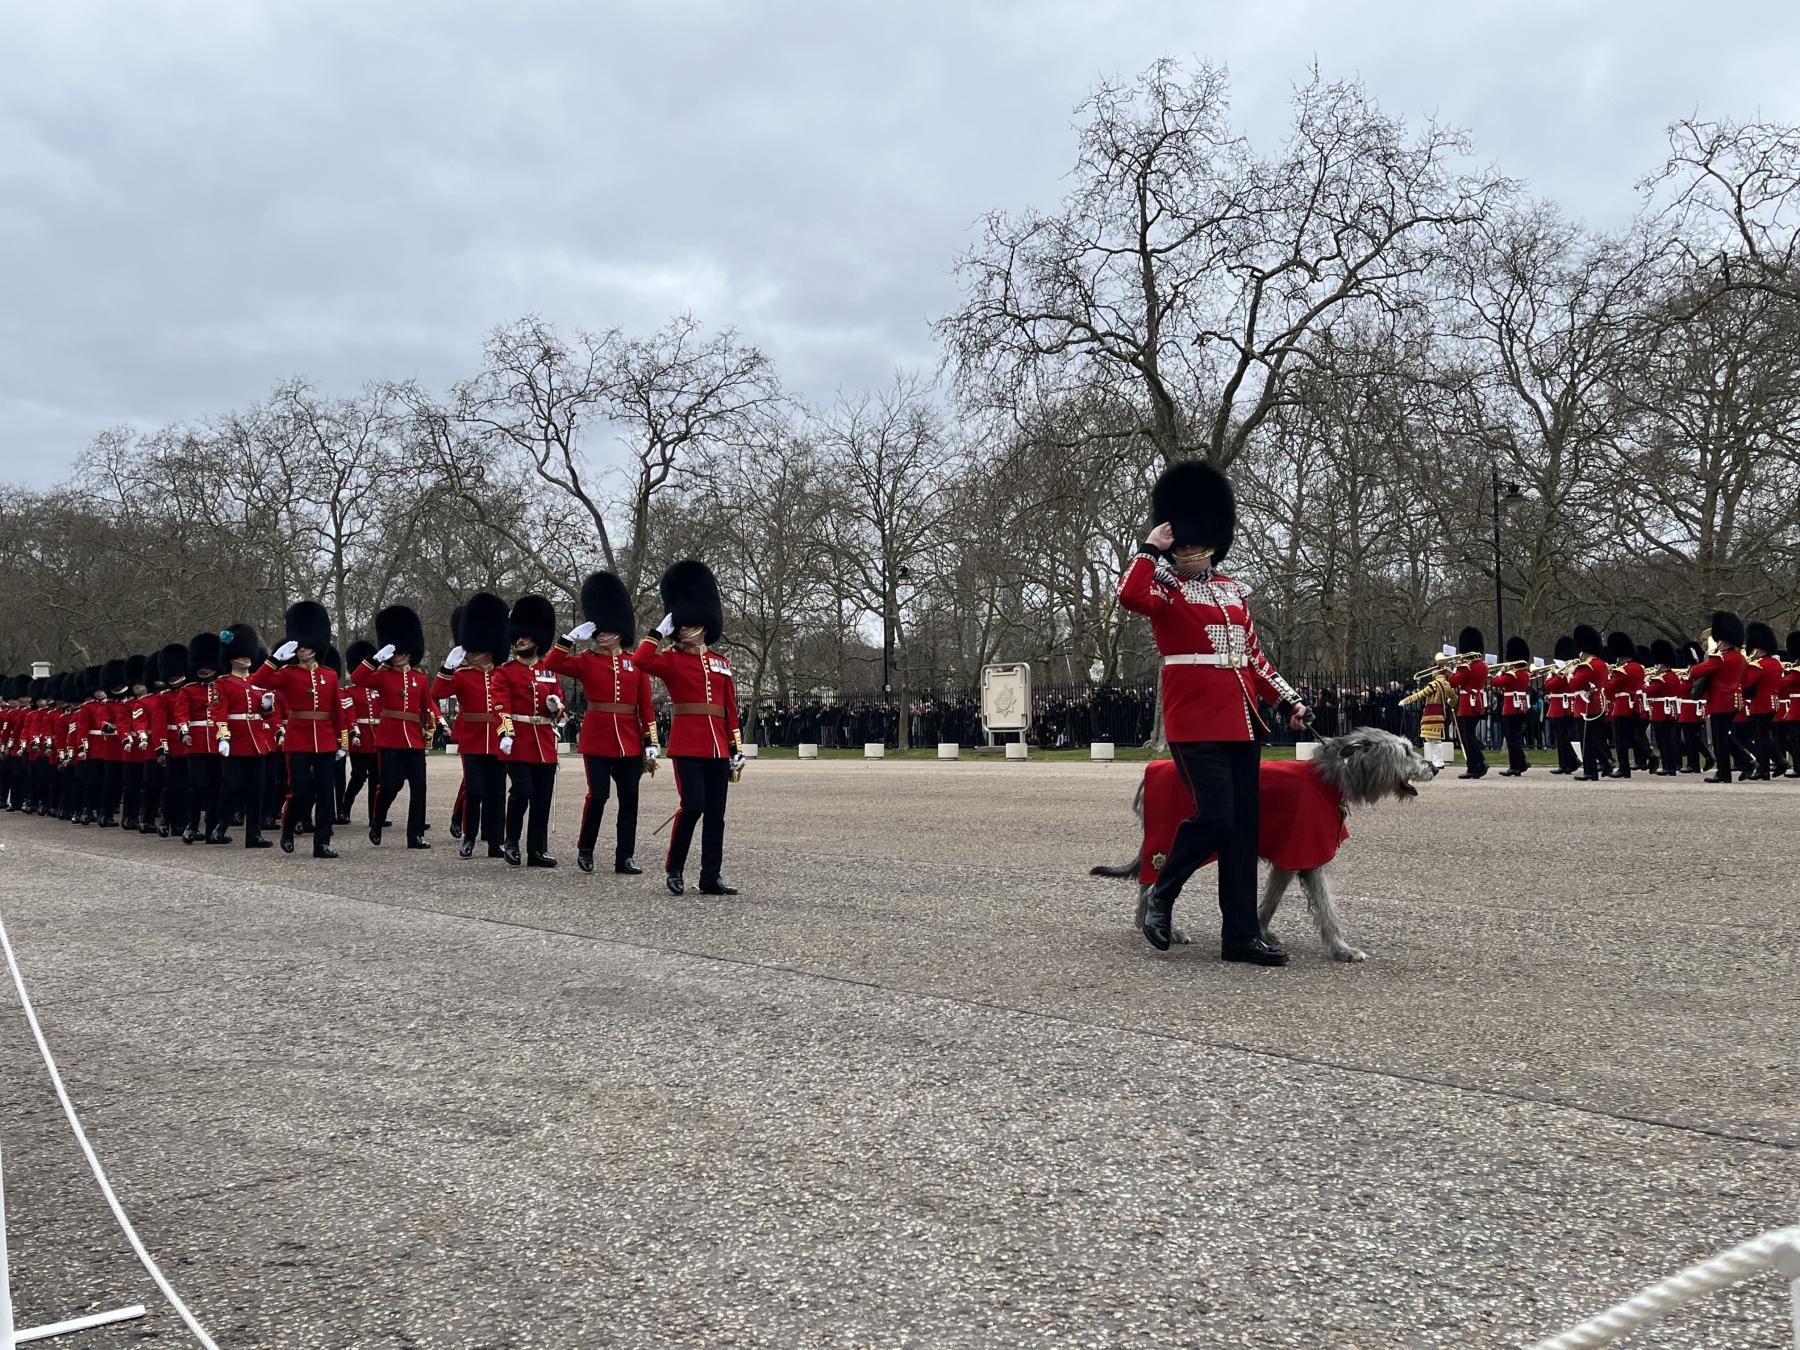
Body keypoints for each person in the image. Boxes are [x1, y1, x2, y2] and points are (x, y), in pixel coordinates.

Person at [1115, 461, 1308, 965]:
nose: (1191, 551)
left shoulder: (1232, 590)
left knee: (1242, 828)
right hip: (1194, 720)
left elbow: (1253, 657)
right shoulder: (1164, 586)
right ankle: (1162, 893)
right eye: (1183, 544)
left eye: (1197, 543)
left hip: (1241, 720)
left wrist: (1287, 700)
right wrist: (1149, 548)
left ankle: (1239, 936)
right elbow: (1129, 594)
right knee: (1217, 815)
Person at [633, 559, 744, 897]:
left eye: (688, 625)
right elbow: (640, 661)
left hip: (717, 748)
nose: (683, 630)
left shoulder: (721, 664)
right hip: (687, 747)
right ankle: (675, 868)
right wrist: (658, 632)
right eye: (680, 625)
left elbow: (729, 710)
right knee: (693, 806)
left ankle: (711, 876)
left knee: (716, 815)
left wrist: (736, 748)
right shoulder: (670, 659)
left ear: (704, 626)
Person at [543, 570, 660, 875]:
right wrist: (568, 639)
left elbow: (645, 706)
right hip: (597, 739)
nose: (601, 636)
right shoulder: (587, 661)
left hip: (629, 741)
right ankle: (586, 849)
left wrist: (650, 741)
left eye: (606, 630)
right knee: (598, 795)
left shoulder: (635, 664)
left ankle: (625, 857)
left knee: (629, 801)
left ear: (620, 631)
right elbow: (551, 664)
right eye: (598, 631)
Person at [258, 601, 347, 858]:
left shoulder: (329, 675)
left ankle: (322, 843)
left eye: (306, 646)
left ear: (315, 646)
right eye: (299, 646)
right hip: (298, 739)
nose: (302, 649)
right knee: (300, 791)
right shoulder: (287, 673)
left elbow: (337, 711)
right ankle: (287, 829)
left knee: (326, 794)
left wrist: (341, 741)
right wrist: (274, 660)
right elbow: (257, 681)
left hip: (326, 740)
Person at [431, 591, 514, 861]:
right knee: (475, 790)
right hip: (472, 740)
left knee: (497, 793)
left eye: (475, 651)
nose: (471, 655)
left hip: (498, 739)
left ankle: (496, 842)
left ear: (489, 650)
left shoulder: (503, 673)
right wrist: (447, 667)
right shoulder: (462, 675)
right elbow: (437, 693)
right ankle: (469, 837)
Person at [494, 594, 562, 867]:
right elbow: (500, 706)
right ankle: (511, 841)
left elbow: (559, 705)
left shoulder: (549, 671)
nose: (520, 640)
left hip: (544, 741)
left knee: (542, 798)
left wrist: (556, 707)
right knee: (521, 791)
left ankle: (537, 850)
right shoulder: (505, 672)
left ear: (537, 638)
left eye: (526, 636)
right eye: (518, 636)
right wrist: (506, 733)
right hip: (518, 741)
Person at [362, 605, 434, 848]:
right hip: (390, 738)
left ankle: (415, 835)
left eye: (400, 652)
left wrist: (436, 723)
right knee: (390, 785)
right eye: (394, 653)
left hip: (413, 738)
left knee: (419, 786)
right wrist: (375, 659)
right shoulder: (382, 676)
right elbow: (359, 678)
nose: (396, 656)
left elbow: (427, 706)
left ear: (409, 653)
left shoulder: (420, 679)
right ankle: (377, 820)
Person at [211, 623, 274, 848]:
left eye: (247, 654)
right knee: (232, 787)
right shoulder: (222, 683)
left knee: (257, 789)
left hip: (256, 742)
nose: (246, 658)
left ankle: (253, 834)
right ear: (231, 658)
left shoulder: (258, 681)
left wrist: (267, 707)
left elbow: (266, 715)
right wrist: (223, 737)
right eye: (241, 655)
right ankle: (221, 827)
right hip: (236, 741)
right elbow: (219, 713)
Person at [1687, 611, 1748, 784]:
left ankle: (1728, 770)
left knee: (1720, 739)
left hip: (1720, 702)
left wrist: (1709, 657)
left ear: (1723, 642)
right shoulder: (1740, 659)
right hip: (1734, 701)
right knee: (1725, 738)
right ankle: (1735, 767)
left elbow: (1695, 672)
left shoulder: (1720, 658)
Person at [1739, 622, 1785, 780]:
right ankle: (1778, 762)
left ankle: (1766, 768)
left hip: (1760, 704)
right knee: (1766, 736)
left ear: (1758, 648)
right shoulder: (1775, 663)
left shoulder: (1758, 665)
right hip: (1773, 703)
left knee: (1761, 738)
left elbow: (1745, 684)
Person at [1446, 629, 1489, 780]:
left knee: (1467, 737)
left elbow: (1453, 682)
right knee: (1470, 735)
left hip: (1467, 704)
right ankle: (1477, 764)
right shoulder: (1483, 666)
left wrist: (1454, 669)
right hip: (1478, 703)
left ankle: (1477, 765)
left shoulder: (1466, 667)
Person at [1603, 631, 1645, 780]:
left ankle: (1624, 768)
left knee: (1620, 740)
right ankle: (1648, 755)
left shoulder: (1622, 670)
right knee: (1632, 736)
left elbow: (1609, 689)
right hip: (1635, 705)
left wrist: (1609, 676)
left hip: (1622, 706)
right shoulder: (1638, 667)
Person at [1495, 636, 1532, 776]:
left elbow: (1496, 682)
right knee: (1515, 737)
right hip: (1520, 707)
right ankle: (1520, 763)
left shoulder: (1513, 674)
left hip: (1511, 708)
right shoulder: (1524, 674)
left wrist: (1501, 671)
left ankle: (1516, 766)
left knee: (1511, 738)